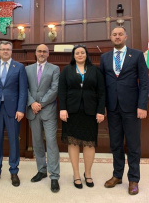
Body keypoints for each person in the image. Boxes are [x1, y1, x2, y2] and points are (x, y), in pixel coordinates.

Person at [100, 26, 148, 195]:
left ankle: (134, 179)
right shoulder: (104, 57)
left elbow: (144, 82)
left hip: (132, 108)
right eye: (114, 34)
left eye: (120, 34)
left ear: (126, 36)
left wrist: (142, 105)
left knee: (133, 145)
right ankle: (117, 175)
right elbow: (102, 86)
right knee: (115, 144)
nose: (117, 36)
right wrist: (102, 107)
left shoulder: (136, 55)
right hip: (112, 108)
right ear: (111, 37)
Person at [58, 44, 105, 189]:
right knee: (73, 142)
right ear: (73, 55)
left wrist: (100, 110)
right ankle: (76, 174)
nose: (79, 55)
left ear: (86, 55)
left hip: (90, 112)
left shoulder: (95, 70)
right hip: (71, 112)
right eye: (77, 53)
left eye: (82, 52)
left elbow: (102, 92)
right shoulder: (67, 70)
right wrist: (62, 109)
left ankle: (88, 173)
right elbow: (62, 91)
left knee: (89, 143)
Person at [0, 40, 28, 187]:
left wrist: (21, 109)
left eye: (8, 49)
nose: (5, 51)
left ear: (11, 51)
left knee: (13, 140)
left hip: (13, 109)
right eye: (3, 49)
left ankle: (14, 171)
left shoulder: (19, 67)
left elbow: (23, 90)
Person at [25, 44, 60, 193]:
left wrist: (41, 103)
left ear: (48, 54)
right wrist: (32, 102)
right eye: (39, 51)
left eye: (44, 51)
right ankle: (41, 170)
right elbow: (24, 88)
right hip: (32, 110)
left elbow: (54, 88)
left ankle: (54, 176)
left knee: (51, 142)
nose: (41, 53)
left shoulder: (54, 69)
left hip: (48, 110)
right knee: (37, 142)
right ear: (35, 53)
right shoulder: (27, 69)